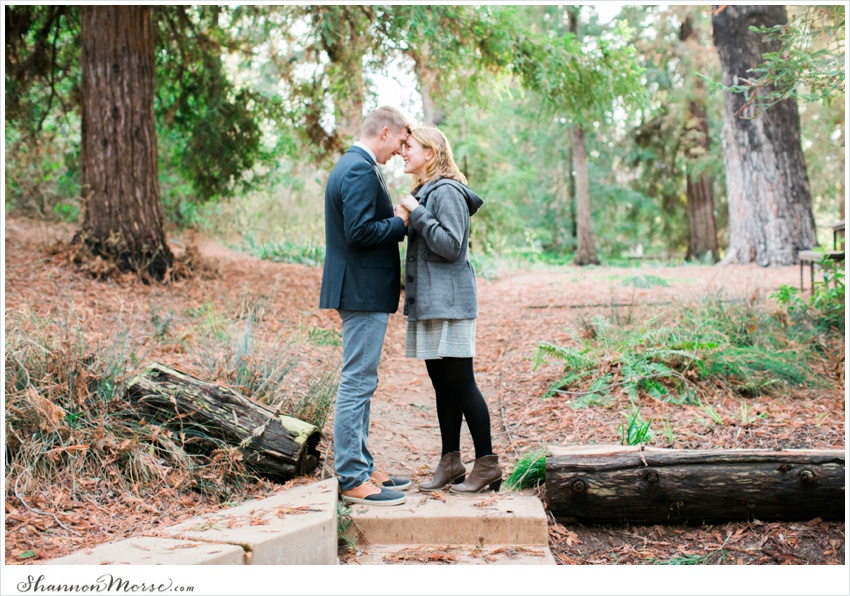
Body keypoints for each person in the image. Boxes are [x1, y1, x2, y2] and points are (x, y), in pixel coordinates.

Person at [397, 126, 502, 494]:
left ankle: (487, 463)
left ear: (430, 152)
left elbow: (451, 246)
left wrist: (417, 212)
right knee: (442, 385)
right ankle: (451, 461)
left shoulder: (447, 192)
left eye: (409, 146)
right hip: (430, 304)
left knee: (461, 383)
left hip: (452, 304)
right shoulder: (424, 192)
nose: (402, 152)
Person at [319, 106, 414, 506]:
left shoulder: (356, 164)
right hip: (360, 290)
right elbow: (359, 233)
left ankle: (363, 463)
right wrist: (401, 221)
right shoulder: (358, 168)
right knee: (358, 382)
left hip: (362, 289)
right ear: (385, 132)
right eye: (401, 141)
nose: (401, 149)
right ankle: (353, 476)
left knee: (363, 381)